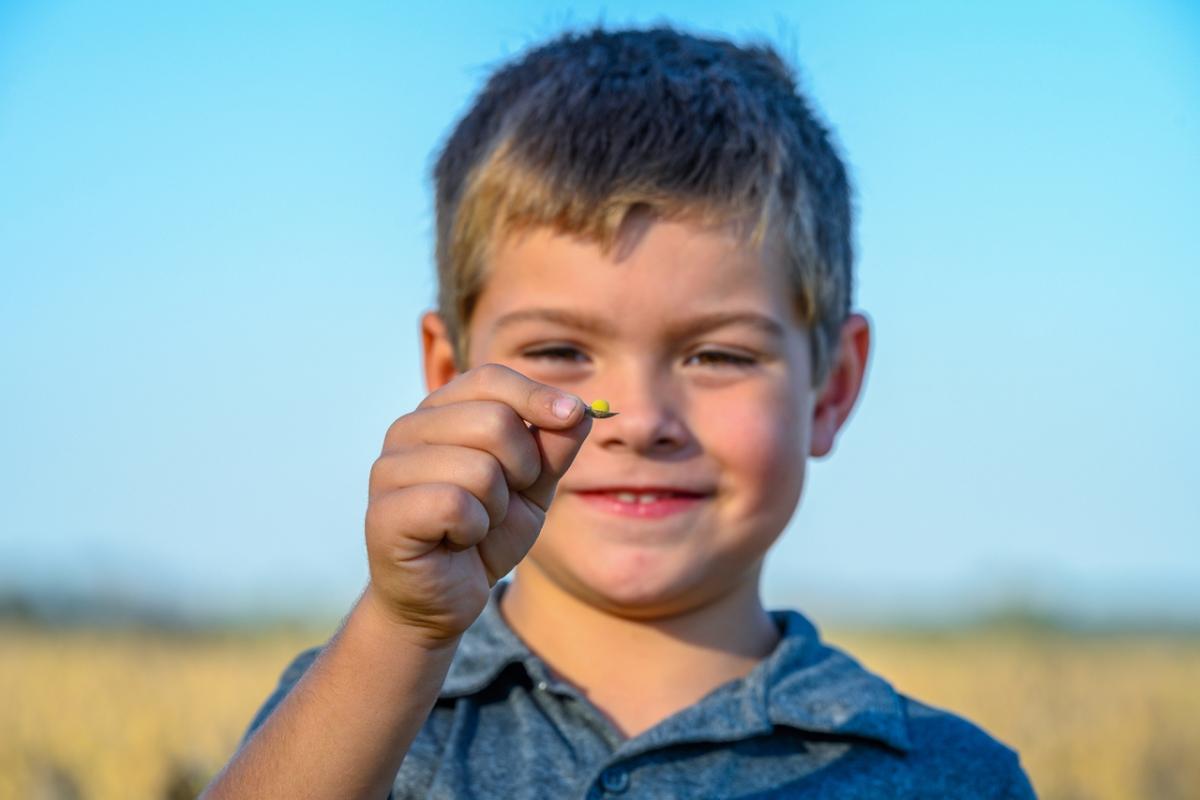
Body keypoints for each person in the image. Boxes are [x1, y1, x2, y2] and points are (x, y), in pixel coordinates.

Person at [202, 25, 1037, 799]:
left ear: (833, 387)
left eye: (718, 355)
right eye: (560, 353)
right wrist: (404, 628)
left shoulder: (947, 775)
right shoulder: (356, 716)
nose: (639, 420)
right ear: (449, 375)